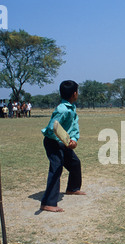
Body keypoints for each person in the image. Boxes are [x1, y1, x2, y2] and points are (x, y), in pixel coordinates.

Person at [40, 80, 86, 212]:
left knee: (75, 163)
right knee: (56, 169)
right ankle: (47, 203)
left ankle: (72, 188)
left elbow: (74, 126)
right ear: (75, 93)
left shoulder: (71, 107)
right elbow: (51, 129)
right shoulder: (62, 110)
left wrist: (74, 139)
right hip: (53, 142)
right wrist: (65, 141)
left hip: (64, 142)